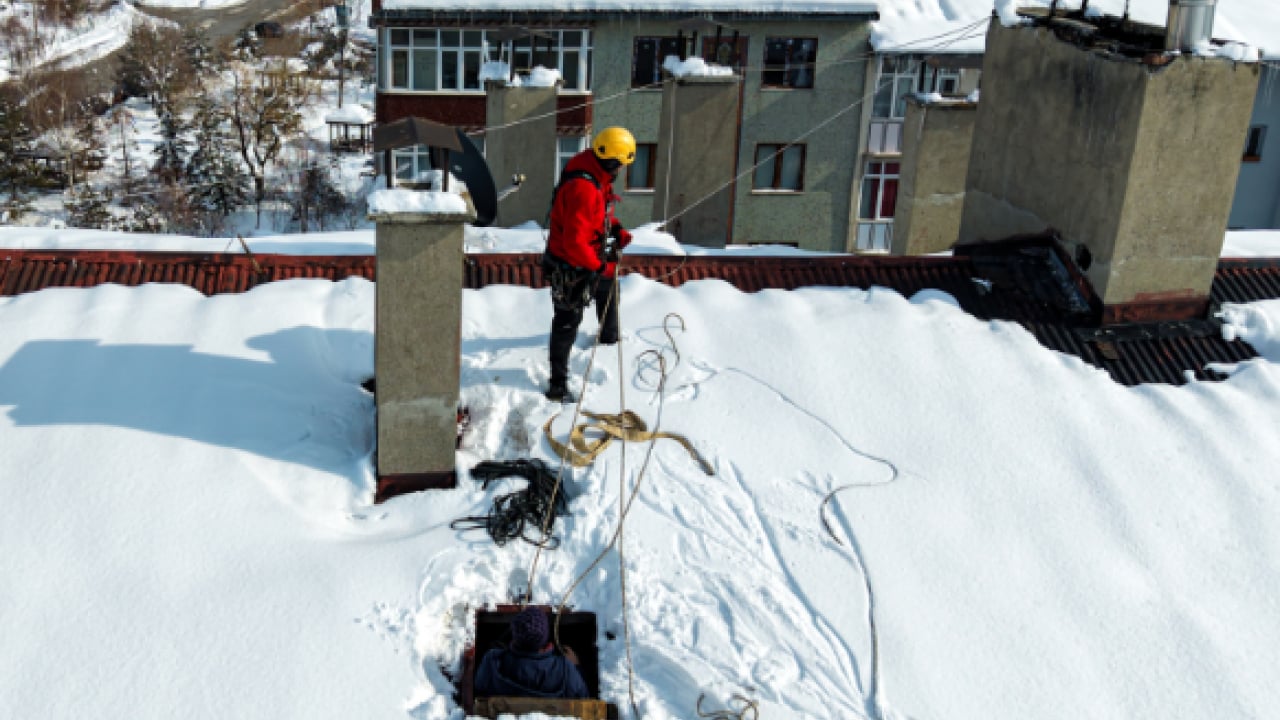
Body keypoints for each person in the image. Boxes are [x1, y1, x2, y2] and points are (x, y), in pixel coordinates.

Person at [542, 126, 636, 403]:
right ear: (613, 162)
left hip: (587, 255)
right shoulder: (583, 188)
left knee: (609, 288)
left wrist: (615, 228)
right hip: (569, 263)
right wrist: (599, 267)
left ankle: (609, 340)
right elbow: (575, 243)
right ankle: (557, 385)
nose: (622, 169)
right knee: (567, 321)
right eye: (622, 164)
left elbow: (598, 211)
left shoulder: (595, 172)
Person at [473, 606, 590, 700]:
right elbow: (583, 698)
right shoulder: (566, 670)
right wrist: (576, 667)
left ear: (515, 636)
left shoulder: (492, 661)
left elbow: (478, 691)